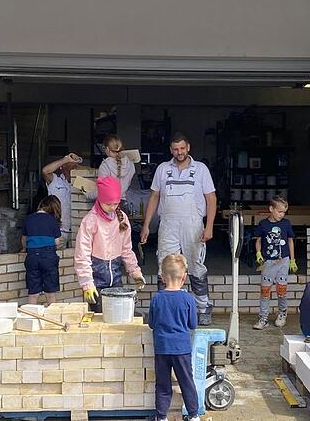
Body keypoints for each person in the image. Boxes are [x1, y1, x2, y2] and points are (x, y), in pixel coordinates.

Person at [141, 133, 217, 325]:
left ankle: (204, 307)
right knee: (164, 265)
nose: (179, 152)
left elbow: (211, 199)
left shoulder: (200, 169)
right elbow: (154, 197)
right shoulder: (162, 169)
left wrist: (209, 227)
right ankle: (163, 308)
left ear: (188, 147)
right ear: (171, 150)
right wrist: (146, 225)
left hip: (193, 224)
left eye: (182, 148)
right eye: (175, 149)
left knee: (196, 266)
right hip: (168, 224)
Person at [75, 176, 145, 313]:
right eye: (108, 204)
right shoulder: (90, 220)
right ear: (100, 199)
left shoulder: (122, 218)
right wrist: (87, 283)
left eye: (115, 204)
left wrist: (135, 272)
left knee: (119, 314)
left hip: (116, 278)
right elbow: (82, 255)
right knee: (101, 319)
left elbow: (126, 249)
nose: (112, 207)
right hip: (96, 282)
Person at [148, 254, 200, 421]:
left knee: (163, 385)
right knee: (187, 382)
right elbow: (193, 324)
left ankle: (161, 417)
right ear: (184, 277)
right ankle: (193, 415)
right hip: (182, 349)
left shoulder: (156, 298)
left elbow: (151, 323)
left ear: (162, 277)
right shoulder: (188, 299)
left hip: (162, 348)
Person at [252, 195, 297, 330]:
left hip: (283, 261)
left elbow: (290, 240)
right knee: (265, 291)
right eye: (279, 211)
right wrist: (258, 253)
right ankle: (263, 318)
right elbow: (258, 240)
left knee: (281, 290)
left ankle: (282, 313)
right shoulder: (263, 224)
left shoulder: (286, 224)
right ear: (271, 209)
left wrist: (293, 260)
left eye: (284, 212)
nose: (281, 215)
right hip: (268, 262)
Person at [20, 195, 63, 305]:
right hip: (48, 257)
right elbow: (57, 242)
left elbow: (24, 240)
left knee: (33, 293)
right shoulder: (52, 220)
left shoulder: (29, 219)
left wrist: (25, 248)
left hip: (32, 257)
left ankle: (31, 319)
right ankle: (52, 319)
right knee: (50, 293)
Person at [41, 152, 82, 239]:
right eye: (70, 166)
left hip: (76, 231)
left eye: (75, 167)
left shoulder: (81, 183)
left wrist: (78, 160)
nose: (73, 169)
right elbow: (45, 171)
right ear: (62, 167)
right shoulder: (55, 181)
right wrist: (65, 159)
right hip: (58, 230)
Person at [85, 134, 136, 201]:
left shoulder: (105, 165)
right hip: (123, 203)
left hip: (108, 205)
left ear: (107, 148)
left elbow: (102, 190)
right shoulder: (130, 164)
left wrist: (88, 194)